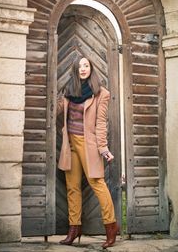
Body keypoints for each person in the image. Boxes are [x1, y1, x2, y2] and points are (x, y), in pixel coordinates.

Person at [56, 55, 119, 249]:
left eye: (86, 65)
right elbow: (56, 112)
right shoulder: (69, 90)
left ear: (91, 68)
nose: (83, 69)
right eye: (79, 66)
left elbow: (101, 124)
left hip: (88, 144)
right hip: (69, 144)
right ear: (75, 70)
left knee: (97, 183)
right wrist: (59, 96)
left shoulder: (101, 93)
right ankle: (74, 229)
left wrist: (103, 148)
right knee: (72, 187)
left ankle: (111, 226)